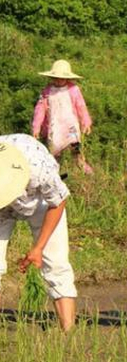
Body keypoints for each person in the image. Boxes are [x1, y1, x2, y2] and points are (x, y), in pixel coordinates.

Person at [0, 134, 77, 331]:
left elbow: (57, 201)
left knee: (56, 262)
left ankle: (68, 331)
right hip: (2, 210)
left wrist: (39, 248)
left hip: (42, 201)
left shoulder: (39, 167)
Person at [32, 60, 94, 175]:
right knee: (55, 155)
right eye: (56, 78)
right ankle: (56, 178)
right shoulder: (47, 92)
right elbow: (40, 110)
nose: (58, 80)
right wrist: (36, 128)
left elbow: (81, 106)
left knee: (77, 152)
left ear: (67, 78)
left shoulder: (73, 89)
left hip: (71, 127)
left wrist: (86, 123)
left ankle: (88, 174)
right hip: (55, 127)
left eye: (61, 78)